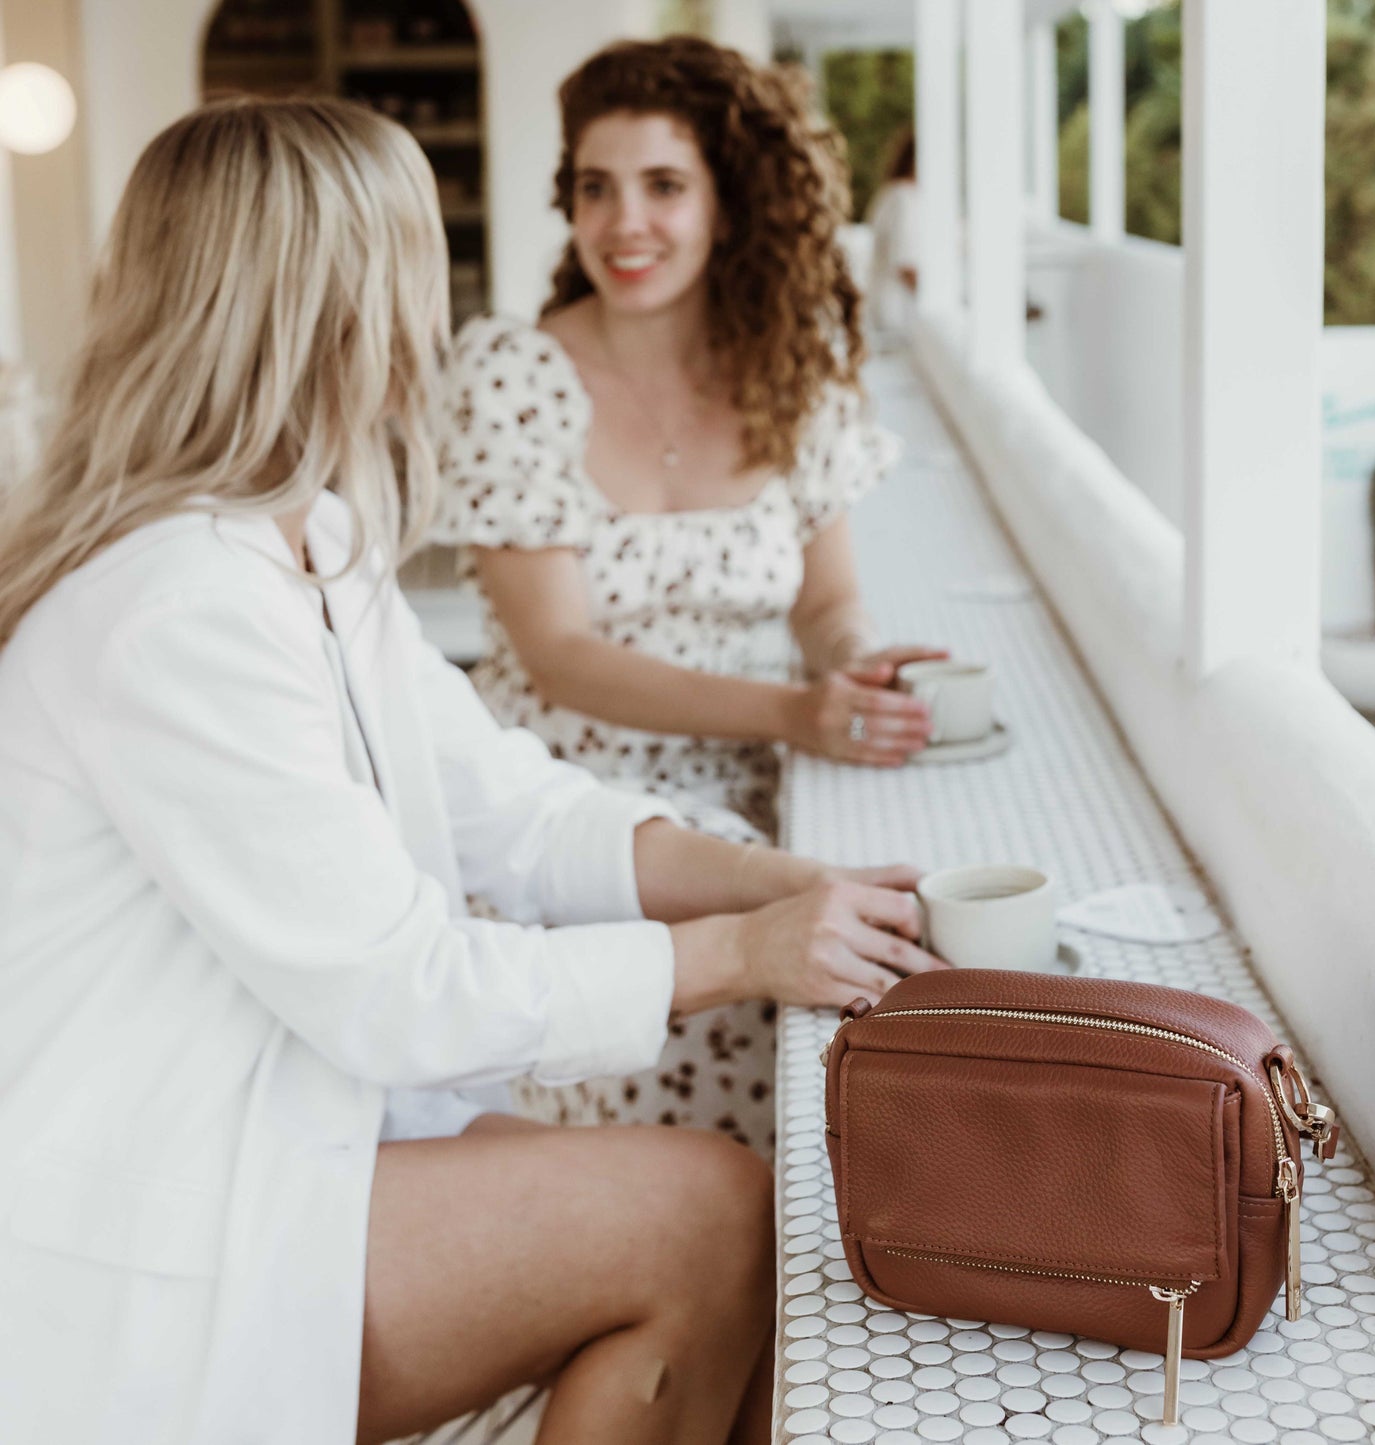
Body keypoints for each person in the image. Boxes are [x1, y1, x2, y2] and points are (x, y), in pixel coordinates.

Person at [0, 98, 945, 1445]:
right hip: (149, 1227)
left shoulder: (304, 540)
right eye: (410, 263)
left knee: (757, 1267)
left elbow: (519, 805)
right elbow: (400, 994)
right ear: (332, 306)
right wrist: (744, 953)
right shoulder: (172, 611)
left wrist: (793, 882)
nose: (430, 312)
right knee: (710, 1217)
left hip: (286, 1137)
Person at [433, 37, 946, 1153]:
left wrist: (853, 660)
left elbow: (824, 603)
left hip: (764, 798)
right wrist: (792, 712)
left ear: (727, 200)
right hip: (565, 821)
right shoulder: (512, 375)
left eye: (664, 185)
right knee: (653, 1177)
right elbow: (559, 652)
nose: (625, 223)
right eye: (594, 187)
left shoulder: (788, 364)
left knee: (803, 1129)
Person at [866, 125, 921, 339]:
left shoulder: (893, 193)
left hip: (889, 311)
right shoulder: (903, 198)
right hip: (896, 317)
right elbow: (906, 266)